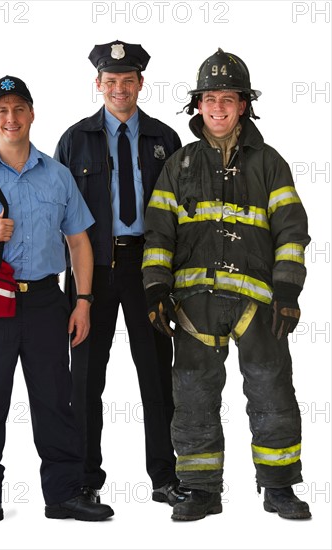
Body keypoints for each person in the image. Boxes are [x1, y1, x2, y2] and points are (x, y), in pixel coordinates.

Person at [0, 75, 114, 526]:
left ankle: (65, 495)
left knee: (55, 399)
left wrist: (83, 301)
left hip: (47, 301)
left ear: (32, 114)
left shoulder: (57, 174)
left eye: (19, 109)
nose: (11, 118)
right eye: (2, 110)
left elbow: (80, 243)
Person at [142, 48, 312, 521]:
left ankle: (279, 486)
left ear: (244, 105)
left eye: (229, 99)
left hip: (260, 305)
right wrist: (156, 289)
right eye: (210, 98)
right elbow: (158, 234)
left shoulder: (270, 164)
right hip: (194, 306)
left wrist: (288, 291)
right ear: (197, 105)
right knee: (193, 395)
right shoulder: (178, 165)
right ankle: (199, 489)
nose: (218, 107)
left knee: (272, 391)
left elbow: (291, 232)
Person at [54, 40, 184, 506]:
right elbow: (59, 214)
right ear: (98, 84)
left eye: (128, 81)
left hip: (148, 268)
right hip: (92, 270)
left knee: (156, 376)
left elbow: (182, 216)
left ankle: (165, 478)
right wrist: (61, 286)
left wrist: (174, 279)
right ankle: (85, 479)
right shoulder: (74, 140)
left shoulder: (165, 140)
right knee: (85, 378)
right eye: (111, 82)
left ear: (140, 84)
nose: (120, 89)